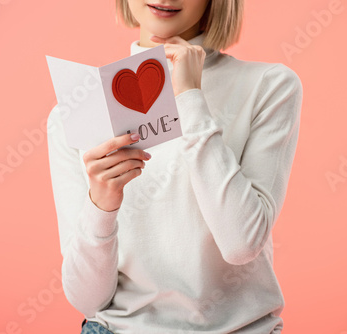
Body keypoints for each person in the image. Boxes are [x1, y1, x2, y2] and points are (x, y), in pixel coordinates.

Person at [46, 0, 303, 333]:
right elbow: (87, 300)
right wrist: (102, 204)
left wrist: (190, 97)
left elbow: (241, 244)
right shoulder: (79, 110)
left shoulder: (270, 86)